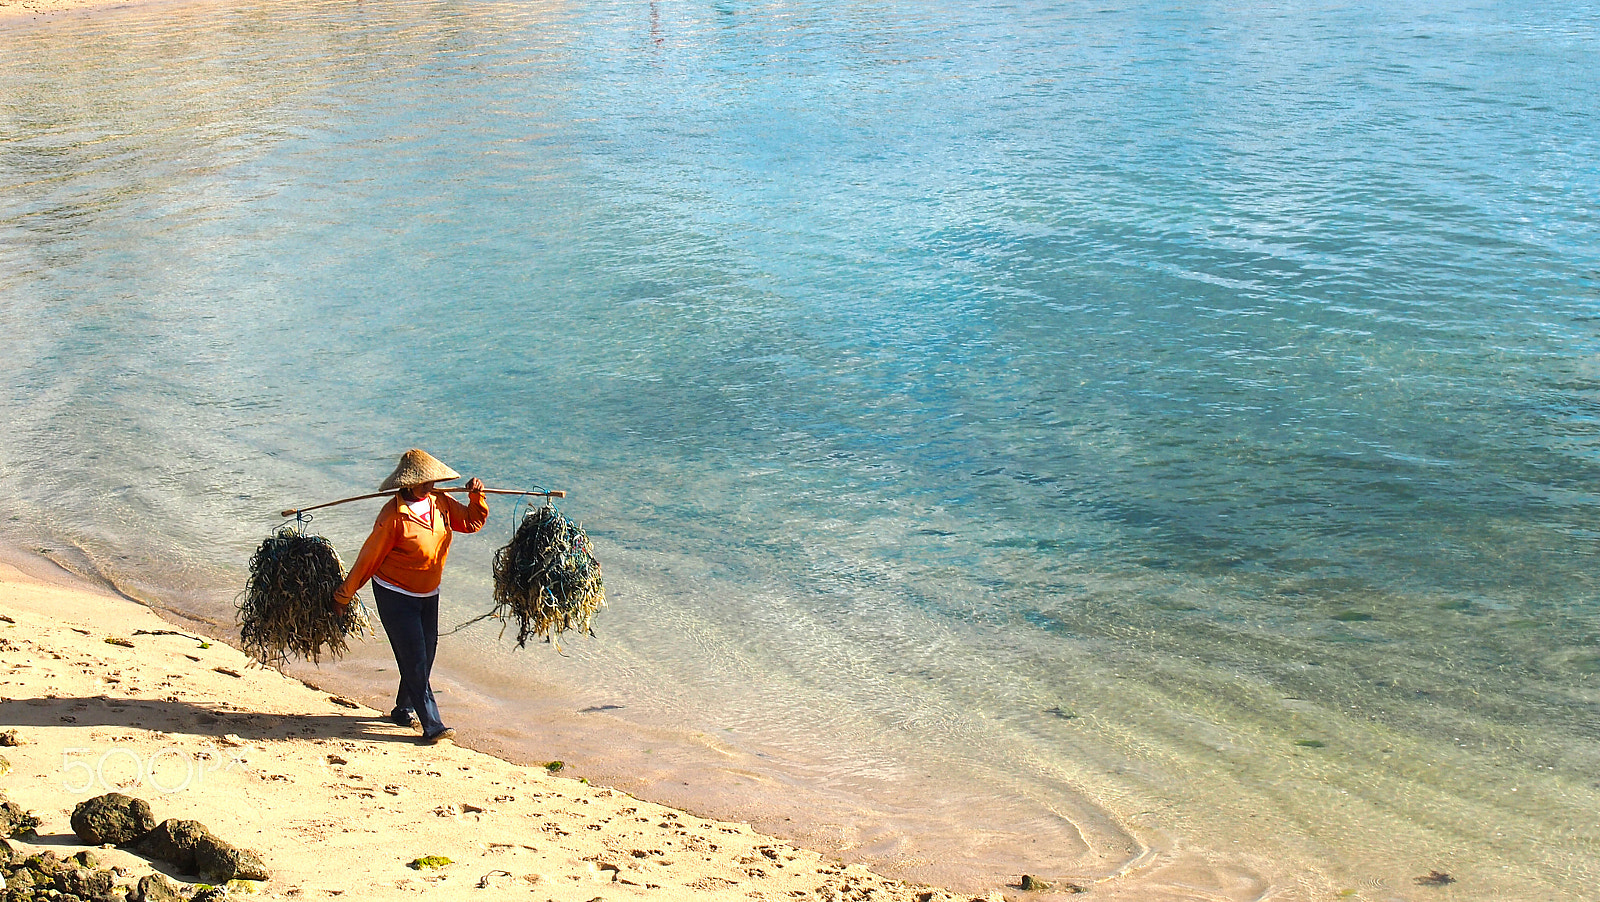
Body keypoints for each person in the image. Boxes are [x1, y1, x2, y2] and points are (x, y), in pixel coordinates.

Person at [333, 449, 488, 744]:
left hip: (429, 593)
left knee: (425, 655)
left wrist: (475, 498)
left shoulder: (440, 503)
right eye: (424, 481)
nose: (431, 485)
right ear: (408, 484)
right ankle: (432, 724)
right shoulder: (393, 517)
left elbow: (470, 522)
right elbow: (368, 560)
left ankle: (403, 709)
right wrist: (344, 595)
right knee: (415, 658)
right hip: (395, 593)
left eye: (432, 480)